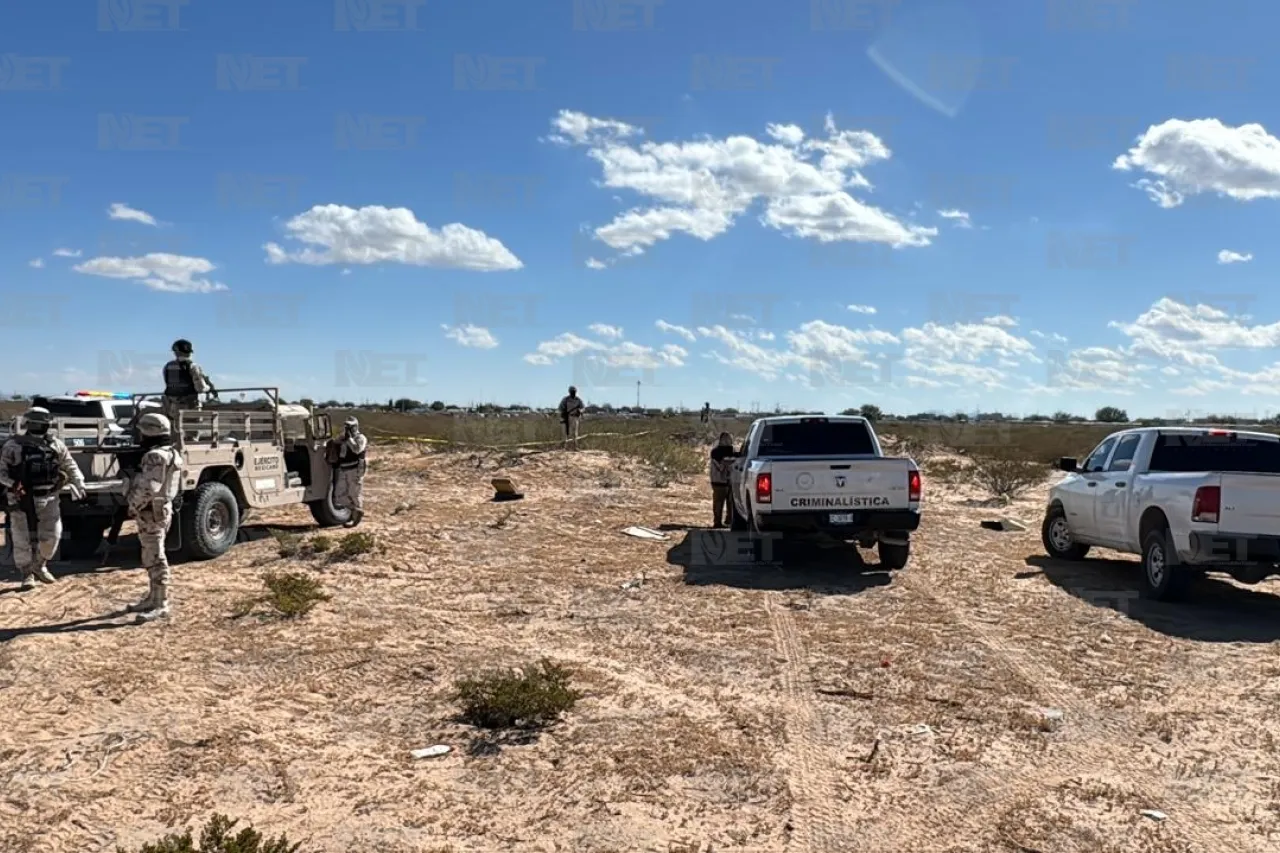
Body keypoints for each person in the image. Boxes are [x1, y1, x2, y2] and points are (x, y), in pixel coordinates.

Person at [0, 407, 87, 590]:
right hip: (20, 497)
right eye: (36, 423)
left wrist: (79, 482)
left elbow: (69, 464)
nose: (40, 427)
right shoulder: (13, 445)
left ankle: (40, 565)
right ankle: (26, 573)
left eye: (43, 424)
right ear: (29, 424)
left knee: (52, 537)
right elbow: (1, 472)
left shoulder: (55, 444)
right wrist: (13, 484)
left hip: (49, 497)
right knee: (21, 538)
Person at [124, 412, 184, 621]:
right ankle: (153, 597)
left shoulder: (155, 456)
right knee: (151, 554)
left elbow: (148, 488)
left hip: (151, 510)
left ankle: (161, 603)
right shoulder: (172, 452)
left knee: (156, 557)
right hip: (160, 508)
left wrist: (132, 504)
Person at [161, 338, 216, 450]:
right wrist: (209, 387)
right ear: (189, 352)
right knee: (192, 437)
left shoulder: (168, 366)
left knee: (175, 435)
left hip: (173, 406)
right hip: (191, 406)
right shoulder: (192, 366)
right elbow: (200, 388)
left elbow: (169, 384)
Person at [332, 416, 368, 527]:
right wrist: (343, 437)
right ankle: (355, 510)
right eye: (346, 426)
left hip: (355, 469)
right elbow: (335, 442)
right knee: (339, 496)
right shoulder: (344, 437)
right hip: (344, 468)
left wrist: (349, 439)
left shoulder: (360, 438)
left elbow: (357, 449)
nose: (348, 428)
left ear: (356, 426)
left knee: (354, 493)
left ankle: (354, 517)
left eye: (350, 426)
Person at [709, 432, 738, 528]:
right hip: (718, 482)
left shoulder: (730, 450)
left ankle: (729, 520)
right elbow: (720, 467)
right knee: (718, 503)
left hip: (729, 482)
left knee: (730, 503)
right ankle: (717, 522)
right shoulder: (716, 452)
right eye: (727, 439)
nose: (729, 441)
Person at [558, 385, 584, 450]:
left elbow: (583, 407)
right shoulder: (566, 399)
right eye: (572, 391)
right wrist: (563, 412)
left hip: (575, 417)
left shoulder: (578, 400)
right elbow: (560, 407)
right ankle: (564, 447)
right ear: (569, 392)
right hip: (566, 417)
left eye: (574, 391)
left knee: (574, 433)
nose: (573, 393)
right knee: (565, 433)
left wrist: (580, 411)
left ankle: (575, 447)